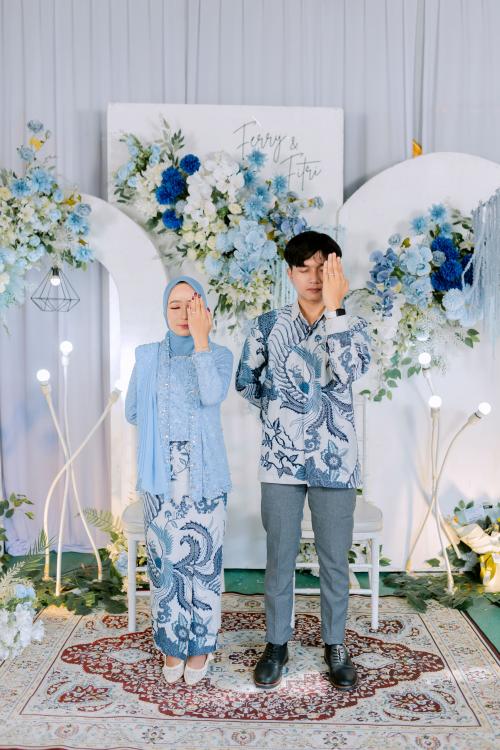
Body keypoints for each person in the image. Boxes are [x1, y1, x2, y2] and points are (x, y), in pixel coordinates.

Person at [235, 230, 371, 691]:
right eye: (303, 268)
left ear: (336, 272)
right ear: (290, 273)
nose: (313, 277)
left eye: (322, 268)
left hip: (336, 460)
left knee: (334, 558)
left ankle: (336, 644)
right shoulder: (267, 325)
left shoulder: (353, 325)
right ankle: (277, 644)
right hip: (281, 460)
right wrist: (282, 413)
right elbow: (246, 381)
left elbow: (350, 371)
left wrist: (335, 310)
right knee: (279, 554)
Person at [125, 276, 232, 685]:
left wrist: (202, 342)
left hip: (206, 478)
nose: (184, 314)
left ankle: (201, 647)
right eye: (175, 306)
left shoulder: (218, 355)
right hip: (160, 478)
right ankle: (172, 646)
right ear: (164, 311)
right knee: (165, 566)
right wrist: (165, 432)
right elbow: (133, 411)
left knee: (203, 567)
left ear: (205, 310)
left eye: (193, 305)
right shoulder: (147, 357)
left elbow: (211, 395)